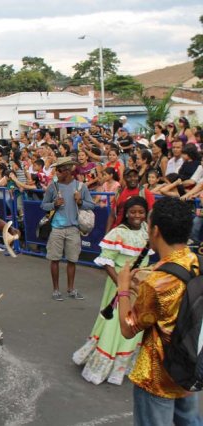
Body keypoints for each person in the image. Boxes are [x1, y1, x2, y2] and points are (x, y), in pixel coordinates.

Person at [116, 197, 202, 426]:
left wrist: (124, 289)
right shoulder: (196, 260)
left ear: (155, 231)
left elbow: (128, 327)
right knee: (191, 420)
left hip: (159, 375)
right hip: (190, 365)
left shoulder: (157, 282)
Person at [73, 196, 149, 385]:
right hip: (119, 285)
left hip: (138, 286)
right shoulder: (117, 233)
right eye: (133, 212)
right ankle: (103, 364)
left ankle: (123, 365)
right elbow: (106, 262)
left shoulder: (147, 230)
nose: (137, 215)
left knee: (134, 322)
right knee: (116, 321)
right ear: (126, 214)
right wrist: (122, 284)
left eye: (141, 212)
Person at [41, 157, 95, 301]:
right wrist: (54, 204)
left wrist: (80, 201)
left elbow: (91, 205)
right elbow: (43, 205)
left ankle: (71, 289)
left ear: (67, 171)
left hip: (73, 228)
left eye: (58, 170)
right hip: (56, 228)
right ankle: (56, 290)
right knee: (54, 259)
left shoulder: (81, 187)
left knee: (72, 260)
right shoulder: (53, 187)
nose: (56, 173)